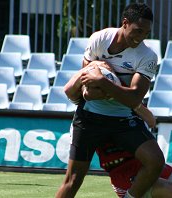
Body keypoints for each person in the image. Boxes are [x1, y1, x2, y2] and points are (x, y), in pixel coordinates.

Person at [56, 5, 165, 195]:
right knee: (72, 180)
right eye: (138, 31)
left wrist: (102, 82)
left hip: (123, 119)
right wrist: (105, 87)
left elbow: (134, 99)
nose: (141, 37)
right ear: (125, 23)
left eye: (146, 33)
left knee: (155, 161)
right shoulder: (100, 39)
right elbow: (87, 89)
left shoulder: (148, 56)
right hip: (89, 118)